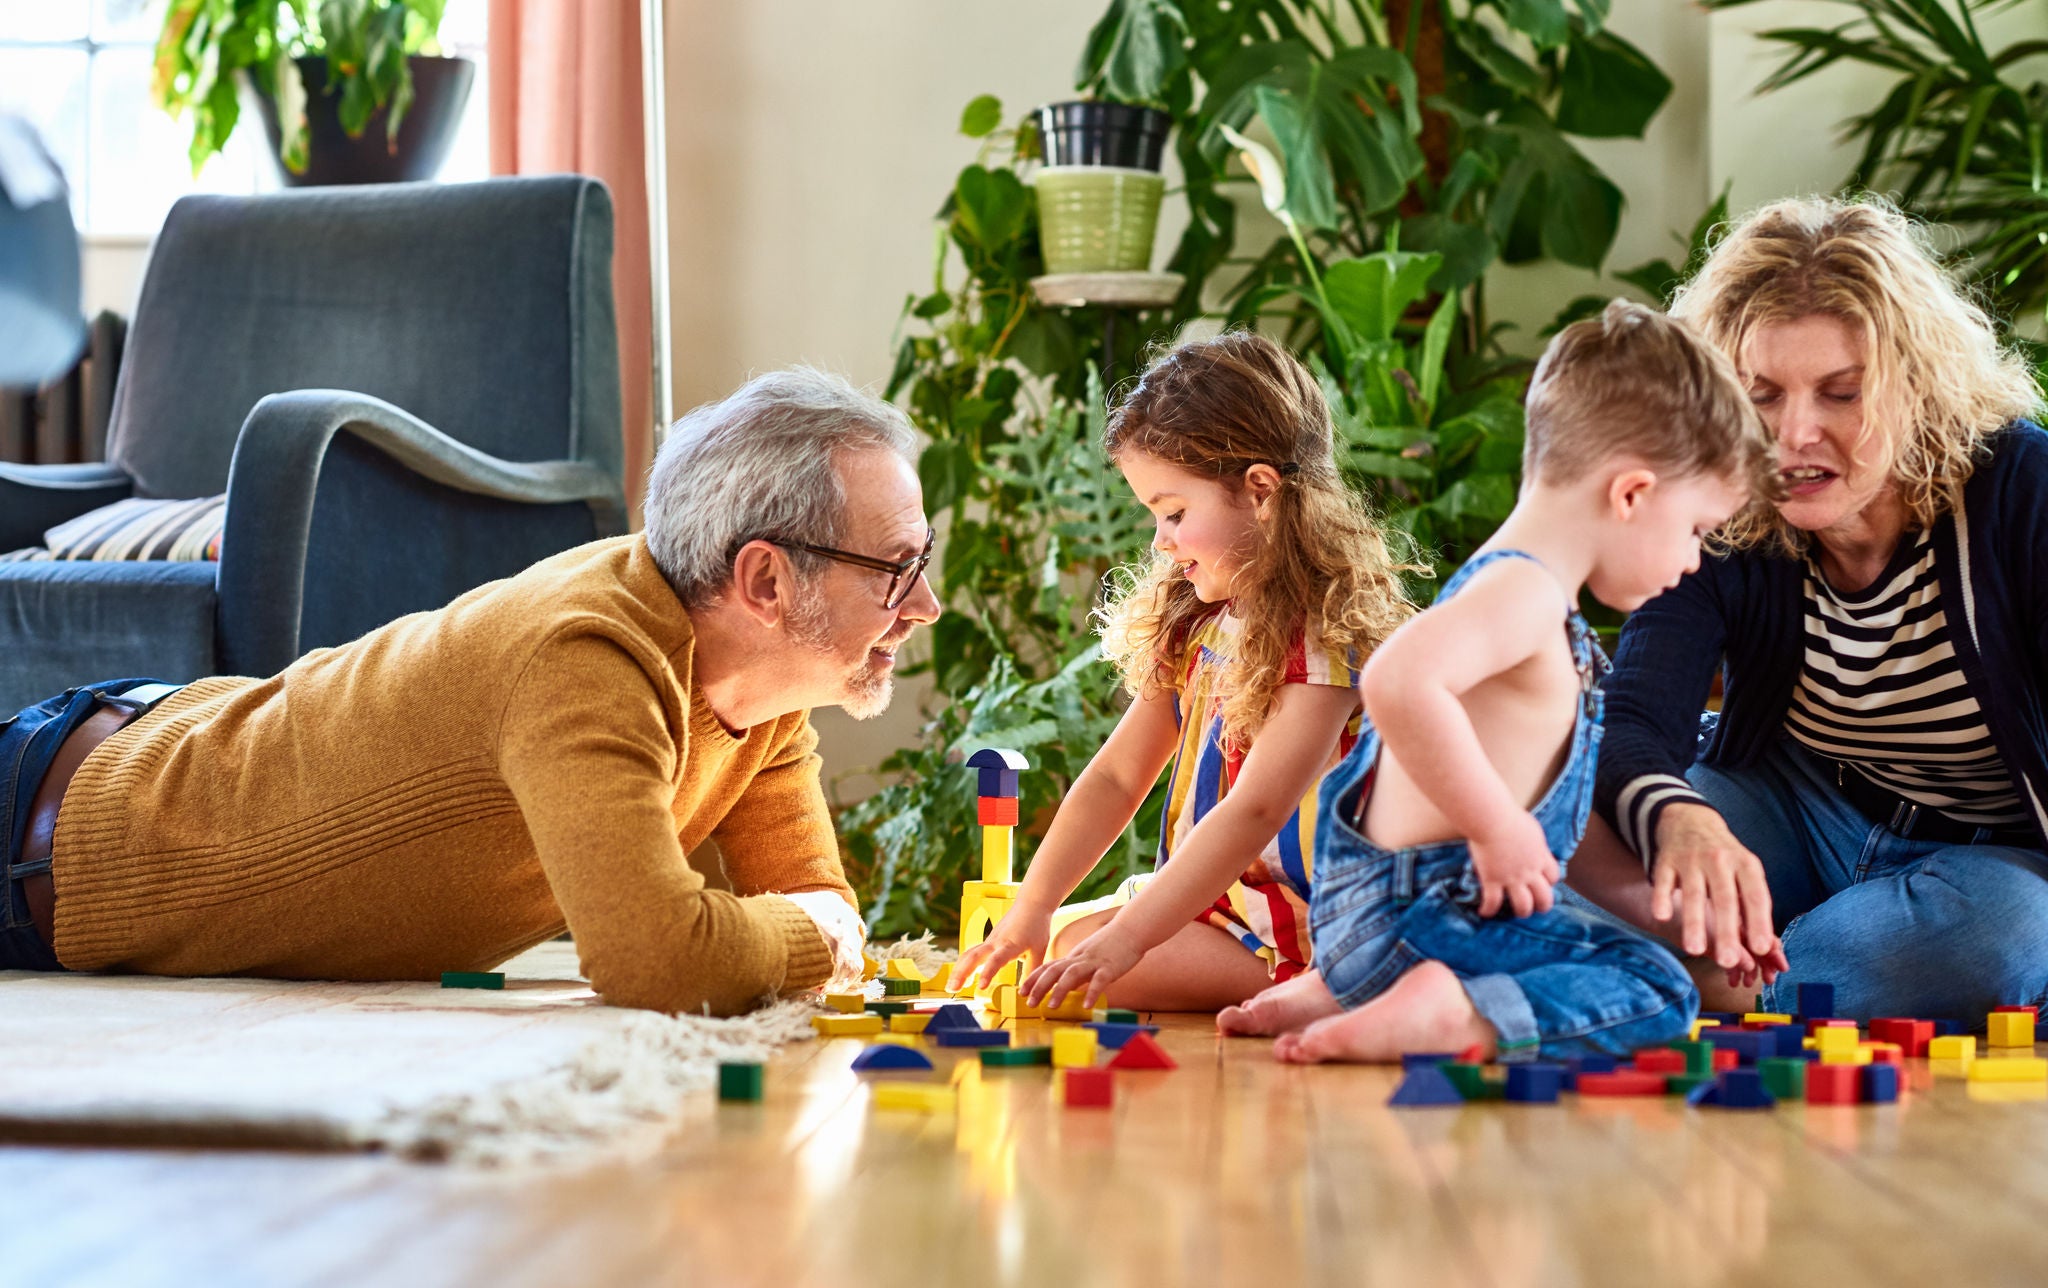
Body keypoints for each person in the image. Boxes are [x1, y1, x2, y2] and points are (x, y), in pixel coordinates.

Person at [0, 368, 941, 1015]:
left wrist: (810, 932)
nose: (926, 605)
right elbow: (657, 956)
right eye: (896, 570)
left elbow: (818, 908)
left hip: (162, 735)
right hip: (57, 830)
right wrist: (809, 936)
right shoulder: (589, 659)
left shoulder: (757, 697)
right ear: (766, 583)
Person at [1217, 300, 1774, 1063]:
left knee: (1643, 945)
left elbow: (1566, 855)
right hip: (1423, 913)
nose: (1692, 561)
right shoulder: (1528, 594)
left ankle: (1350, 988)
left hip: (1384, 916)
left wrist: (1669, 916)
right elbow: (1397, 680)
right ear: (1632, 495)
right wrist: (1496, 828)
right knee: (1660, 990)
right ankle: (1452, 1016)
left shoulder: (1527, 607)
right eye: (1698, 531)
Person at [1564, 196, 2048, 1023]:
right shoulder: (1726, 505)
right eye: (1762, 397)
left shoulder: (2020, 488)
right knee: (1597, 834)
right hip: (1793, 808)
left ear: (1916, 387)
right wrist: (1676, 816)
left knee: (2003, 939)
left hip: (1992, 861)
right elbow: (1639, 713)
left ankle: (1706, 980)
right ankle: (1773, 975)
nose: (1794, 435)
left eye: (1842, 393)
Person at [952, 331, 1415, 1010]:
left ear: (1260, 491)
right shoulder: (1201, 620)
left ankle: (1329, 987)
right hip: (1227, 907)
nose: (1160, 540)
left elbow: (1256, 810)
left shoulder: (1319, 637)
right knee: (1064, 942)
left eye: (1173, 513)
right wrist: (1033, 906)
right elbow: (1116, 776)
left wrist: (1126, 942)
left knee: (1099, 968)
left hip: (1303, 927)